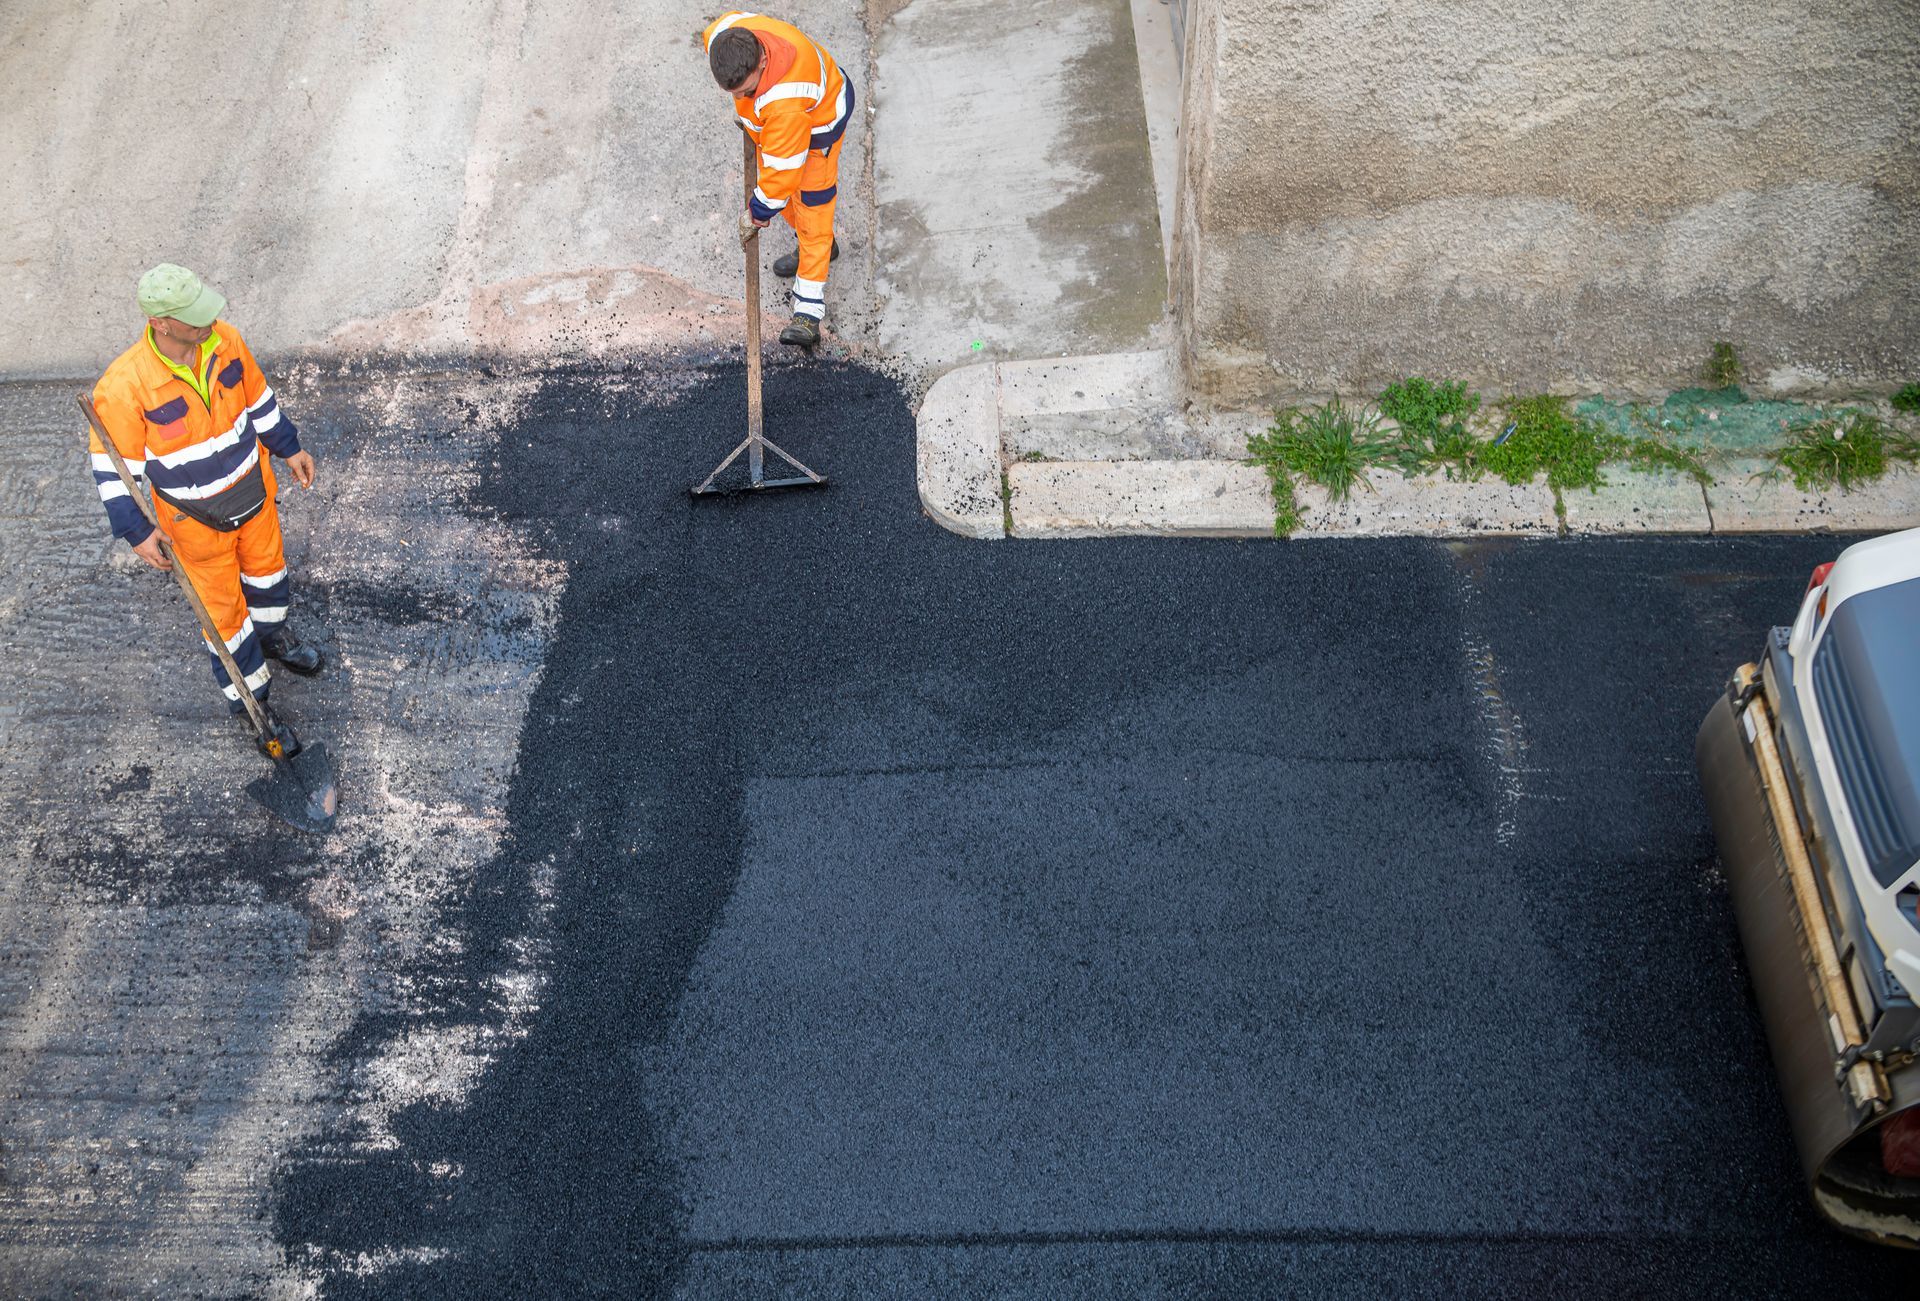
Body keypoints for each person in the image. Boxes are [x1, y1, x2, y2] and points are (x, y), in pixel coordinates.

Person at [88, 263, 323, 717]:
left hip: (253, 496)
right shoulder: (125, 387)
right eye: (193, 314)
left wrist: (289, 447)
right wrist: (137, 533)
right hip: (195, 522)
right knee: (224, 617)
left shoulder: (224, 341)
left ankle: (272, 636)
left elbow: (257, 398)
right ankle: (253, 702)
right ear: (160, 323)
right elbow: (113, 470)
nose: (208, 319)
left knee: (268, 575)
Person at [703, 11, 856, 349]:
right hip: (779, 130)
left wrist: (756, 214)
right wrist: (752, 118)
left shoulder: (786, 101)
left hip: (819, 127)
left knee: (813, 208)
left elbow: (780, 179)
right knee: (788, 203)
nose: (743, 98)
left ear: (760, 62)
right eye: (735, 94)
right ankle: (821, 247)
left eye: (748, 90)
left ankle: (807, 314)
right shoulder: (724, 34)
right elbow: (777, 171)